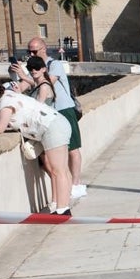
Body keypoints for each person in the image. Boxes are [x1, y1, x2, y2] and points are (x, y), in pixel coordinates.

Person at [0, 79, 73, 215]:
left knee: (58, 171)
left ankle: (63, 210)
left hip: (51, 127)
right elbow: (3, 123)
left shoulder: (5, 102)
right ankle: (61, 206)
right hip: (56, 123)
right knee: (62, 170)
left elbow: (0, 128)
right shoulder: (8, 95)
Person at [12, 37, 86, 200]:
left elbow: (45, 83)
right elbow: (28, 85)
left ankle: (76, 184)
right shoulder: (32, 68)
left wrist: (24, 76)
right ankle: (66, 184)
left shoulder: (55, 65)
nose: (30, 54)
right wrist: (14, 86)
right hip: (49, 116)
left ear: (44, 49)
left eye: (34, 51)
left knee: (73, 149)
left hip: (64, 110)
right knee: (52, 155)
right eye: (28, 51)